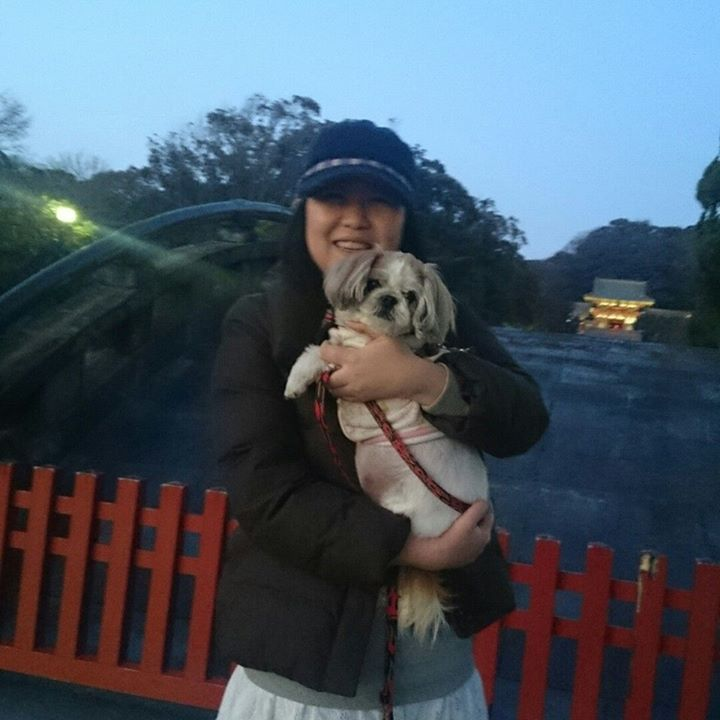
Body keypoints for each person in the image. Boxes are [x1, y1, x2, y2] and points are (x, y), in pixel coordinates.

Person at [211, 120, 549, 719]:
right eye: (333, 197)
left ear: (404, 220)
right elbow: (263, 491)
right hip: (298, 681)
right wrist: (419, 551)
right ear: (304, 210)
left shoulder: (436, 309)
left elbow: (524, 417)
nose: (355, 218)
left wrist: (423, 380)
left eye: (380, 201)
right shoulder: (259, 323)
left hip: (432, 678)